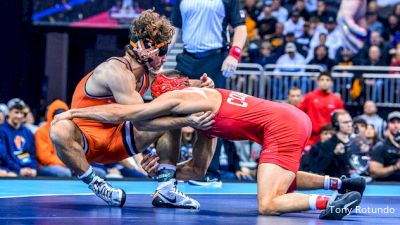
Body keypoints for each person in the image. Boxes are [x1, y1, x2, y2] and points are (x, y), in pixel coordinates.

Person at [53, 71, 366, 220]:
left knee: (268, 204)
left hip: (281, 126)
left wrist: (77, 111)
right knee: (278, 180)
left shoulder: (181, 98)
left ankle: (330, 203)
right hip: (289, 119)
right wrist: (169, 172)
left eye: (158, 100)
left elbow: (130, 114)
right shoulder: (205, 113)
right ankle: (342, 184)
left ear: (165, 96)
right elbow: (199, 169)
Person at [50, 10, 214, 209]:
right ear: (147, 49)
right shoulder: (115, 71)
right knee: (59, 129)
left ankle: (166, 188)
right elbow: (141, 120)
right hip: (86, 142)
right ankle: (98, 185)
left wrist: (200, 84)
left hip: (118, 140)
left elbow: (171, 83)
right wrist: (186, 121)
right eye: (162, 52)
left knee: (171, 104)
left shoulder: (145, 74)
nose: (164, 58)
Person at [171, 0, 247, 185]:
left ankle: (210, 173)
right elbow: (174, 27)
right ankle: (170, 168)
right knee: (172, 111)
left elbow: (240, 27)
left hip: (215, 58)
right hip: (186, 59)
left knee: (212, 116)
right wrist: (161, 53)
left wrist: (234, 55)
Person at [298, 72, 345, 147]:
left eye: (327, 80)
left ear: (332, 83)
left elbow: (342, 119)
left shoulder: (336, 100)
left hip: (330, 138)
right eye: (322, 79)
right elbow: (299, 114)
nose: (324, 82)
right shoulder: (309, 97)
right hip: (311, 139)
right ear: (318, 82)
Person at [0, 98, 37, 177]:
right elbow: (5, 157)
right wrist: (19, 170)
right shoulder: (2, 131)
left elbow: (33, 155)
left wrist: (34, 169)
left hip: (28, 168)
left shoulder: (28, 132)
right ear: (9, 112)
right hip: (12, 169)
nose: (19, 116)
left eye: (21, 113)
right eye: (16, 112)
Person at [35, 99, 72, 177]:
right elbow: (44, 158)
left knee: (99, 172)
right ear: (51, 116)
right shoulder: (41, 132)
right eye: (57, 115)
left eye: (63, 116)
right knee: (67, 173)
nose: (59, 118)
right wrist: (67, 163)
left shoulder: (69, 132)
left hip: (67, 165)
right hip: (46, 166)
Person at [369, 111, 400, 181]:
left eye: (399, 122)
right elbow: (374, 172)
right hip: (386, 187)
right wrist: (396, 167)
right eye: (393, 122)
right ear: (388, 124)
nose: (396, 125)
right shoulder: (381, 146)